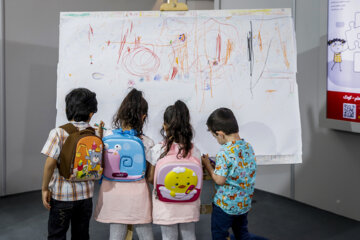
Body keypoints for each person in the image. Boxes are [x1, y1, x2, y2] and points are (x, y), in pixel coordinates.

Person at [94, 88, 154, 240]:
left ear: (121, 114)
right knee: (145, 232)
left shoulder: (107, 137)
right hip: (137, 194)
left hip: (112, 192)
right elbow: (149, 174)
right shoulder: (147, 142)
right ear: (143, 116)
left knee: (116, 234)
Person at [41, 88, 100, 240]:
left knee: (57, 234)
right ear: (91, 113)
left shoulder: (58, 132)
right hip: (86, 197)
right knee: (81, 235)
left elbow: (50, 163)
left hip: (62, 196)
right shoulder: (95, 133)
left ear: (68, 109)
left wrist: (44, 188)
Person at [202, 108, 264, 240]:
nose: (216, 139)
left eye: (215, 137)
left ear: (220, 134)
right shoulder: (248, 146)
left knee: (220, 235)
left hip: (225, 206)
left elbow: (219, 180)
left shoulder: (224, 152)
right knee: (242, 233)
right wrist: (218, 167)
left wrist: (208, 166)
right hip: (243, 204)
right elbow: (238, 169)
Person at [148, 100, 201, 240]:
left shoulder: (158, 149)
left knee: (168, 237)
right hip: (189, 202)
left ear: (164, 126)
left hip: (166, 204)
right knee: (189, 236)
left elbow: (151, 178)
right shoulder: (194, 150)